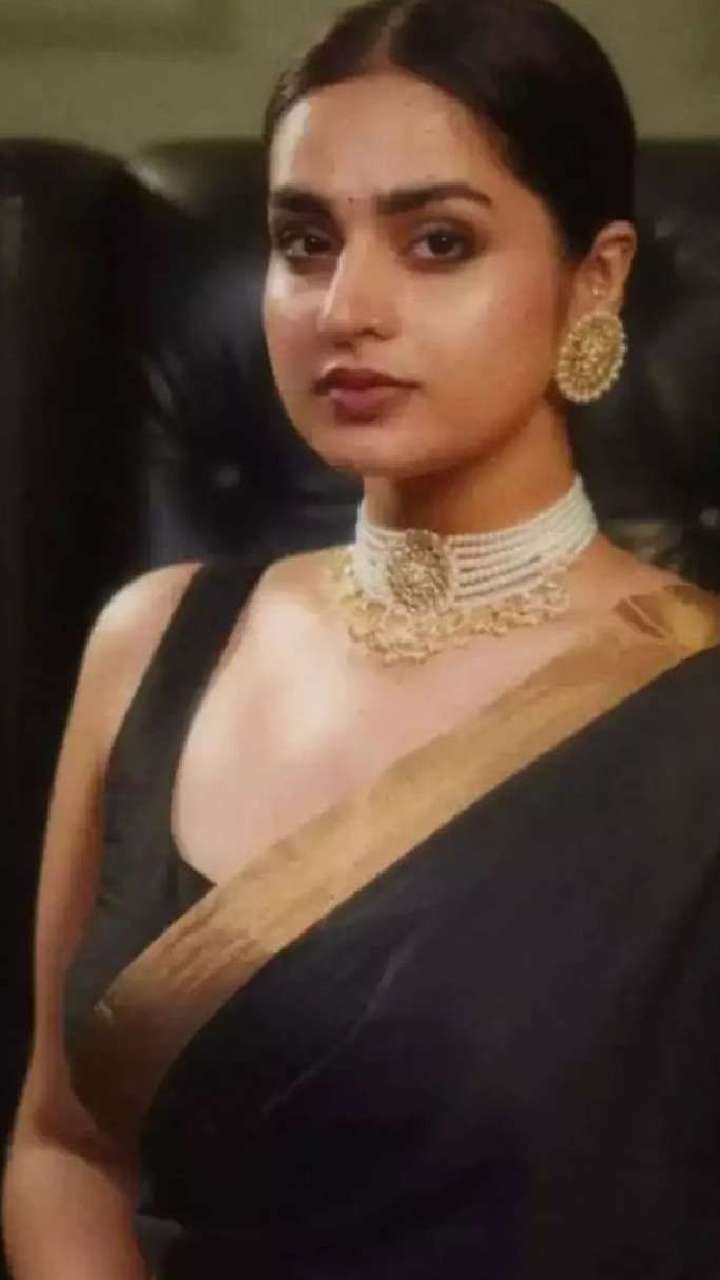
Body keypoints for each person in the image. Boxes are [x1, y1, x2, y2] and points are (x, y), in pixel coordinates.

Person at [4, 0, 720, 1275]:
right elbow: (63, 1145)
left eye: (439, 242)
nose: (347, 306)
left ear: (595, 278)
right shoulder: (153, 641)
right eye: (303, 241)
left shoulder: (692, 705)